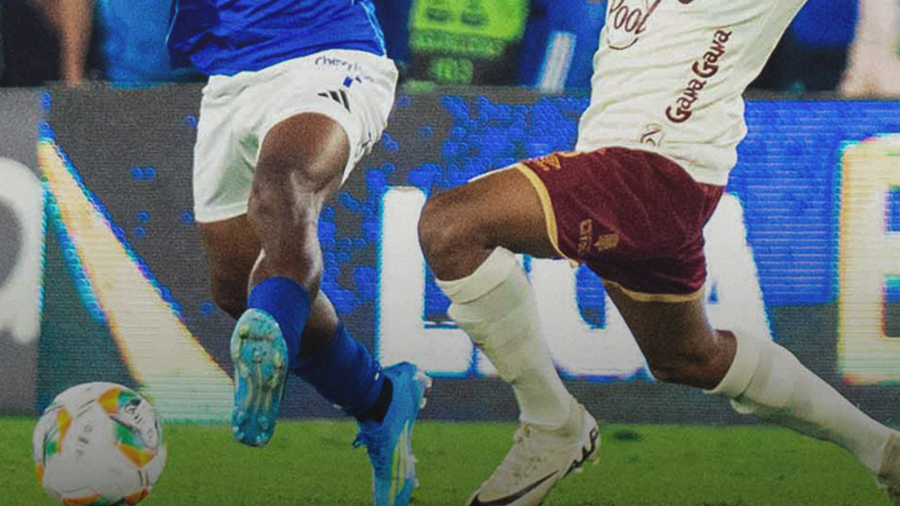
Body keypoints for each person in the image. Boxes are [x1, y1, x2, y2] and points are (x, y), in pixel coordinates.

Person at [417, 1, 900, 505]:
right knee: (689, 357)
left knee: (453, 226)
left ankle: (551, 424)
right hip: (645, 173)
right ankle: (884, 450)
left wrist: (878, 44)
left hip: (650, 172)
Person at [167, 2, 430, 506]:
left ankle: (271, 342)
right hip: (228, 71)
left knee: (284, 184)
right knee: (236, 285)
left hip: (327, 50)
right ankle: (380, 400)